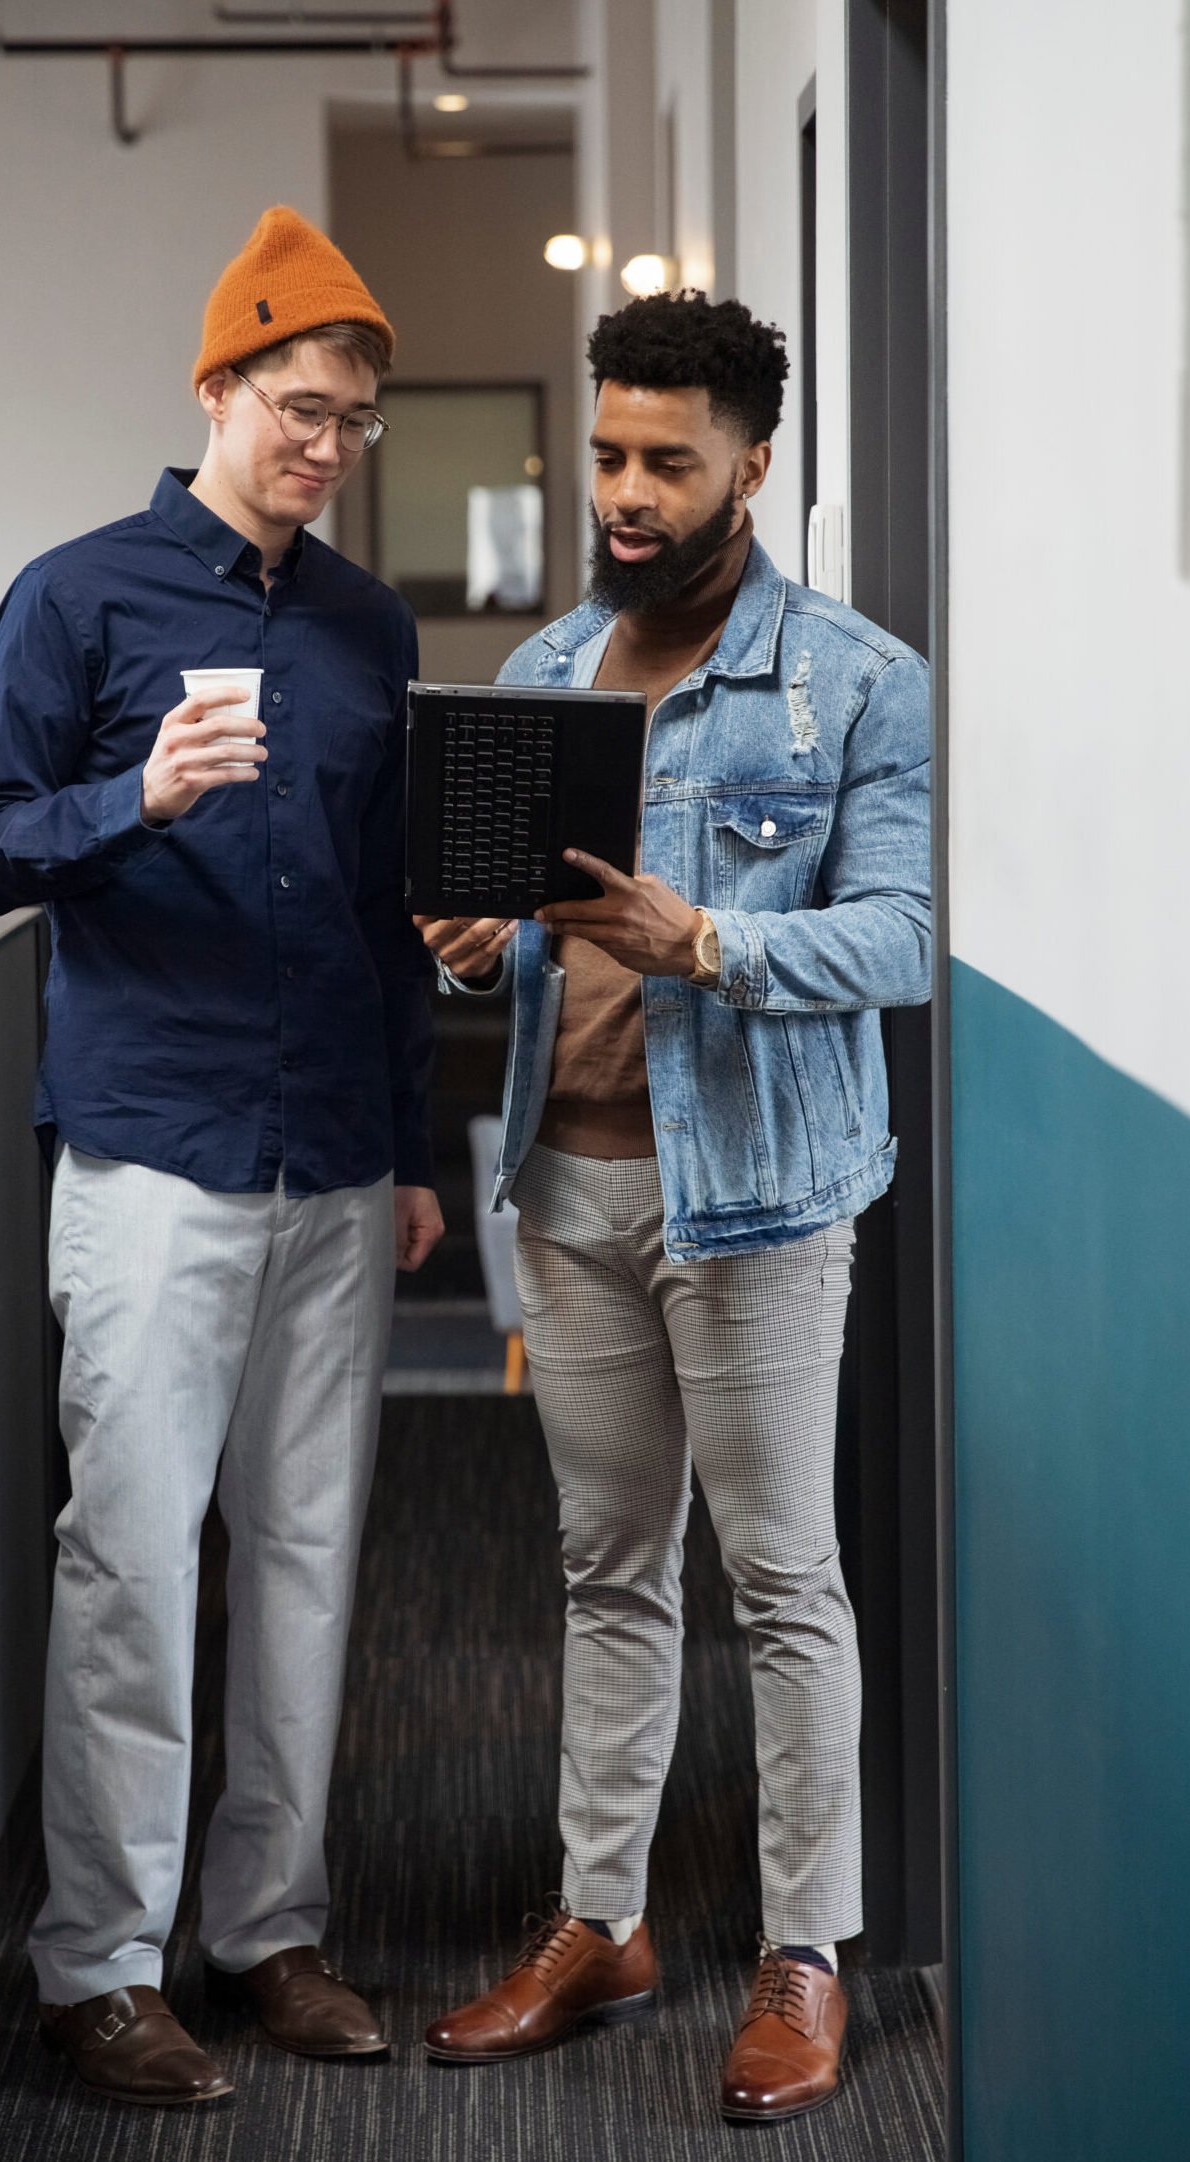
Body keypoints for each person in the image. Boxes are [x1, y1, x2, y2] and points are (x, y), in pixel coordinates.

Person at [0, 206, 441, 2108]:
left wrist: (408, 1151)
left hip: (331, 1160)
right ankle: (95, 1964)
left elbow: (392, 913)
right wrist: (133, 796)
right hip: (153, 1156)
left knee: (308, 1560)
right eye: (301, 408)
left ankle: (270, 1932)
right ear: (217, 388)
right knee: (136, 1562)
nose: (324, 446)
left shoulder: (362, 626)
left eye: (353, 424)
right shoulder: (75, 600)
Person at [417, 290, 930, 2125]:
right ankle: (602, 1918)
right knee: (602, 1563)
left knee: (782, 1577)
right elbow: (512, 941)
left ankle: (808, 1949)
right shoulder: (551, 664)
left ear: (752, 467)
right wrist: (476, 945)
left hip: (761, 1203)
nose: (625, 493)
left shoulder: (855, 680)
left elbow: (902, 937)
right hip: (563, 1186)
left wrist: (703, 938)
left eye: (667, 463)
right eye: (611, 453)